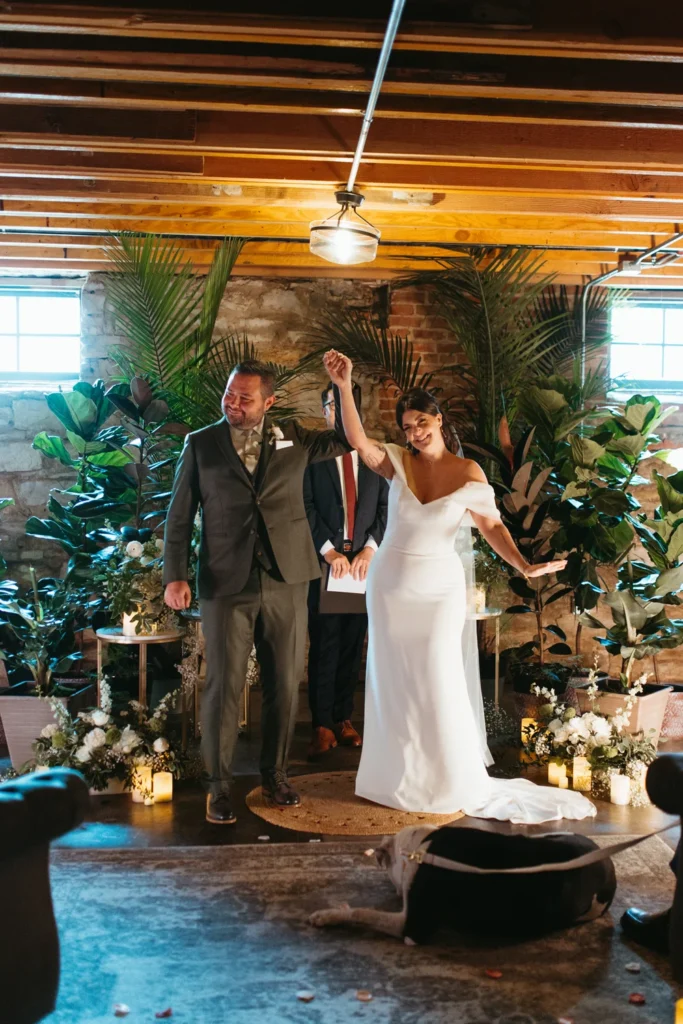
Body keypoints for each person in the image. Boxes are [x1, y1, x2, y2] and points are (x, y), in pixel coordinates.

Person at [323, 349, 596, 823]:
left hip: (438, 592)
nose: (414, 433)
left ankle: (445, 779)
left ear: (438, 419)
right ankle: (393, 780)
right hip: (389, 586)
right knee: (393, 684)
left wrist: (524, 566)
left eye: (421, 422)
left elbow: (491, 527)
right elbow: (358, 440)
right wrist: (345, 387)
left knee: (437, 679)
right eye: (407, 427)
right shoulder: (397, 464)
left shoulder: (469, 472)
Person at [163, 360, 349, 825]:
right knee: (223, 686)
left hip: (287, 577)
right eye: (230, 395)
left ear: (268, 402)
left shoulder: (296, 437)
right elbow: (180, 515)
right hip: (226, 581)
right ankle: (219, 787)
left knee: (285, 683)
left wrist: (343, 387)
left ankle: (276, 775)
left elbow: (348, 439)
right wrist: (176, 575)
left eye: (246, 398)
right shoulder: (200, 444)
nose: (234, 405)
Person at [303, 381, 389, 760]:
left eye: (346, 404)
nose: (338, 412)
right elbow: (304, 506)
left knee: (354, 646)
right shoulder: (313, 457)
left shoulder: (374, 458)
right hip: (327, 568)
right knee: (325, 645)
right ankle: (321, 723)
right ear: (324, 410)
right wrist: (328, 551)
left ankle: (343, 718)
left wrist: (369, 551)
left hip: (361, 569)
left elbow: (386, 510)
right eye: (332, 405)